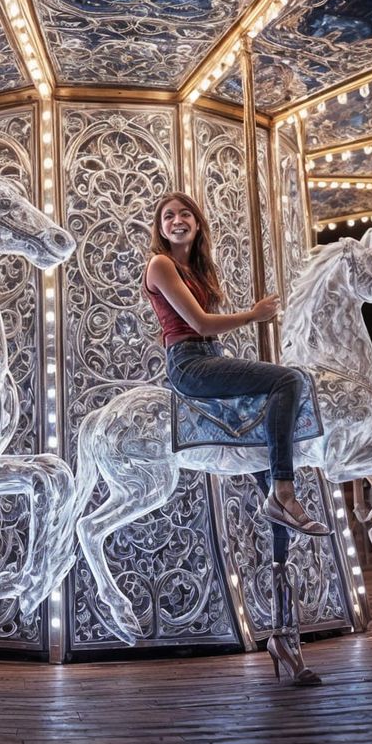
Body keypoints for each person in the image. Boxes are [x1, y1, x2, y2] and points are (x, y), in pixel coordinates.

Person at [144, 191, 327, 539]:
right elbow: (200, 324)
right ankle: (283, 491)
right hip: (189, 363)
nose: (177, 221)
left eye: (185, 215)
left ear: (197, 225)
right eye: (169, 216)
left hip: (210, 355)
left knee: (271, 398)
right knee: (287, 380)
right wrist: (254, 316)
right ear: (161, 228)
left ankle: (275, 492)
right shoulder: (161, 264)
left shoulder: (197, 269)